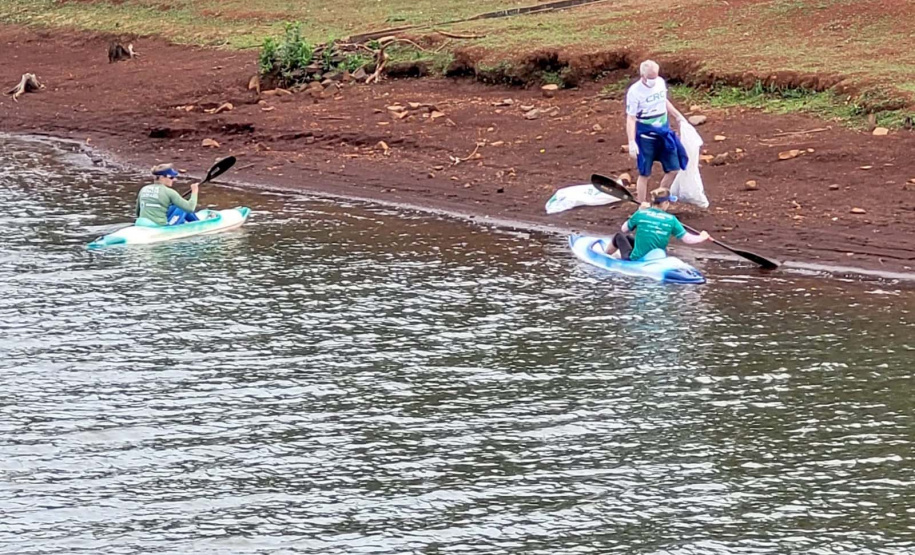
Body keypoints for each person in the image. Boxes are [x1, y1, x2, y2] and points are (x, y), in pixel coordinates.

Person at [625, 59, 689, 204]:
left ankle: (659, 198)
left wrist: (678, 116)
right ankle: (641, 204)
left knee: (674, 168)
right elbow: (631, 118)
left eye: (655, 76)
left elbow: (663, 101)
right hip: (646, 136)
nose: (654, 80)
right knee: (645, 173)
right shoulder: (634, 92)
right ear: (642, 75)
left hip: (664, 132)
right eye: (650, 77)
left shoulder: (660, 82)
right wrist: (631, 141)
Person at [606, 187, 711, 260]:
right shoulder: (672, 219)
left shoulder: (641, 213)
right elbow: (687, 239)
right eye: (668, 202)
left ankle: (605, 255)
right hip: (657, 258)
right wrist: (702, 237)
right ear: (665, 203)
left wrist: (639, 210)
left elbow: (624, 229)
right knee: (629, 238)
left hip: (636, 259)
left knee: (619, 236)